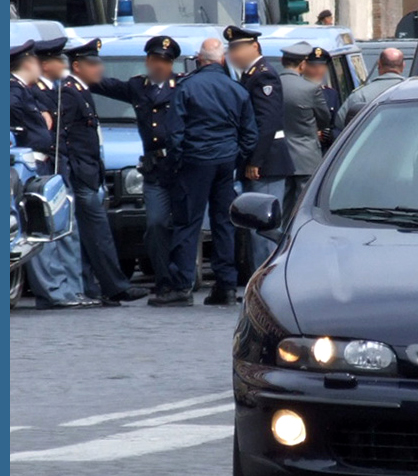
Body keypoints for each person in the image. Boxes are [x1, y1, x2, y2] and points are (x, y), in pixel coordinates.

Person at [159, 38, 257, 307]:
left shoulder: (187, 87)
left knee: (188, 223)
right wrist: (236, 158)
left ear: (200, 60)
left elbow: (174, 131)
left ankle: (182, 286)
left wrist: (178, 161)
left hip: (195, 161)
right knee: (224, 222)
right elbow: (250, 133)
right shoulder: (236, 89)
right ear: (222, 60)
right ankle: (225, 285)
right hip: (226, 160)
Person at [89, 35, 182, 296]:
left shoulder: (182, 86)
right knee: (155, 224)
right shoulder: (137, 87)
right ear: (148, 61)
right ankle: (163, 280)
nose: (159, 65)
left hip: (180, 166)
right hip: (153, 170)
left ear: (171, 64)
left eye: (164, 61)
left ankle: (181, 280)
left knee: (185, 226)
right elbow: (102, 85)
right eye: (155, 60)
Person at [61, 39, 149, 305]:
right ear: (77, 66)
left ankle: (93, 287)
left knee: (90, 237)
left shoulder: (81, 91)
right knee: (98, 235)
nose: (98, 69)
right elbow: (61, 137)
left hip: (89, 173)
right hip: (80, 174)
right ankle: (116, 288)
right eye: (92, 64)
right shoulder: (69, 93)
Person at [25, 38, 99, 309]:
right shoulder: (34, 92)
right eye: (59, 61)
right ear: (46, 65)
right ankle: (56, 292)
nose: (64, 66)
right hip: (44, 167)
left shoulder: (58, 90)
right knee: (48, 234)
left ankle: (72, 288)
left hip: (60, 168)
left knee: (68, 231)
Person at [223, 25, 294, 271]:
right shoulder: (250, 74)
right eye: (232, 49)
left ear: (254, 46)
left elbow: (267, 122)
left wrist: (255, 160)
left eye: (239, 47)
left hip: (267, 163)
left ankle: (267, 279)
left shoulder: (263, 75)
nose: (235, 54)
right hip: (261, 160)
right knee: (257, 227)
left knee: (264, 227)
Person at [278, 41, 330, 220]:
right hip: (306, 156)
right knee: (304, 209)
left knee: (281, 208)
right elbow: (324, 119)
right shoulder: (311, 88)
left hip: (278, 155)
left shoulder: (272, 84)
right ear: (302, 64)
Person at [335, 47, 405, 130]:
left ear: (379, 64)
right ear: (403, 66)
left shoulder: (361, 95)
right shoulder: (415, 91)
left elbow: (339, 123)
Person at [302, 45, 341, 149]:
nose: (318, 70)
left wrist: (328, 134)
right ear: (304, 66)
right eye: (313, 66)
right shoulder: (296, 91)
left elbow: (338, 126)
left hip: (324, 151)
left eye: (321, 66)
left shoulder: (331, 94)